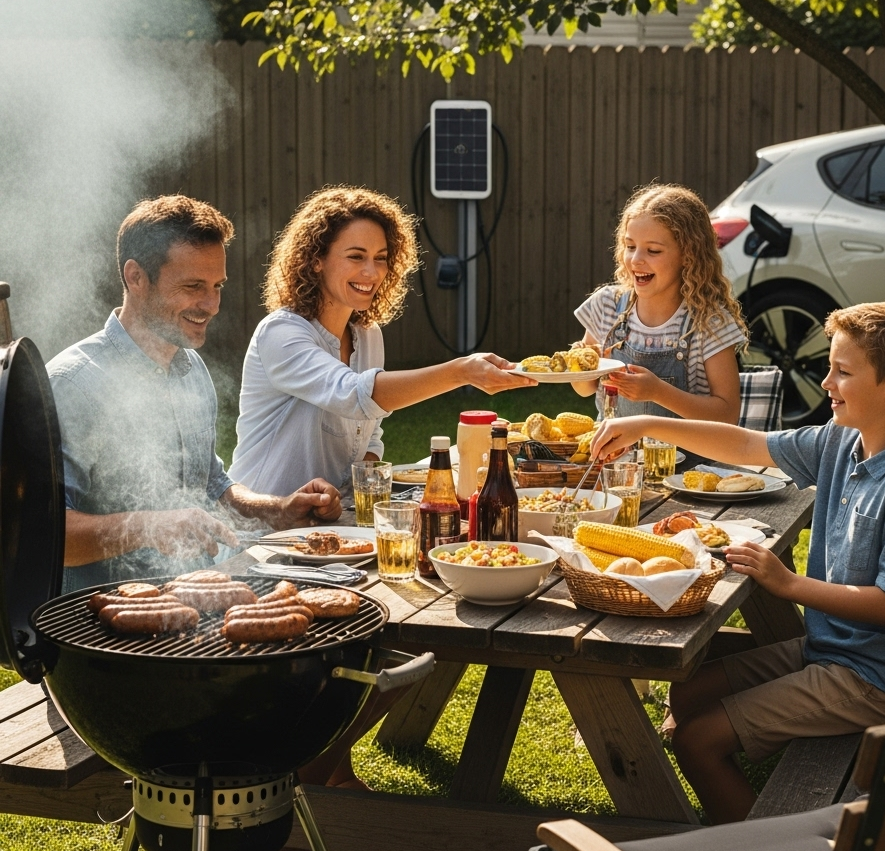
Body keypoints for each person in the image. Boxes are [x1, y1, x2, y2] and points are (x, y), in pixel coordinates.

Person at [590, 300, 885, 824]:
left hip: (880, 681)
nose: (826, 382)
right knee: (688, 690)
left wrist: (787, 584)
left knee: (697, 742)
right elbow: (745, 444)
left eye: (843, 372)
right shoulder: (843, 441)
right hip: (832, 651)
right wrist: (649, 424)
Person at [47, 196, 343, 593]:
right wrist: (150, 526)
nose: (211, 305)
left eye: (217, 286)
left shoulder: (190, 369)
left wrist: (281, 510)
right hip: (101, 625)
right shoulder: (74, 384)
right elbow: (45, 532)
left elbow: (211, 486)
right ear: (135, 277)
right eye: (192, 287)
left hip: (196, 605)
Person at [228, 185, 535, 495]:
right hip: (262, 525)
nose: (371, 272)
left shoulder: (368, 335)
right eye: (356, 256)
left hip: (331, 522)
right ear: (316, 259)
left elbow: (370, 435)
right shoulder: (281, 333)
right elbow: (353, 395)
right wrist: (461, 371)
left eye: (381, 258)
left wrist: (364, 486)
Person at [572, 183, 746, 422]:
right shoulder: (606, 307)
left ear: (688, 255)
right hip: (615, 456)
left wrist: (658, 392)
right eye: (630, 246)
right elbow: (585, 388)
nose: (636, 259)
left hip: (688, 459)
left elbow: (727, 415)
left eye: (653, 251)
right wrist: (578, 367)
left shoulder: (709, 323)